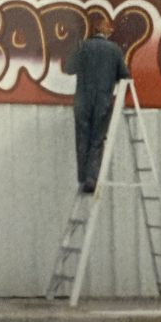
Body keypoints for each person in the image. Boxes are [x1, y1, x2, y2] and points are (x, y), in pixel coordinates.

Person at [61, 16, 130, 193]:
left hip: (82, 100)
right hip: (103, 100)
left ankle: (82, 178)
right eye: (109, 27)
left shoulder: (82, 46)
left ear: (94, 28)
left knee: (82, 138)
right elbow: (124, 74)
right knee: (97, 139)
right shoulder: (114, 49)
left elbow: (68, 68)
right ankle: (92, 177)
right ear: (104, 29)